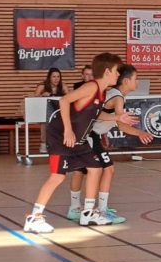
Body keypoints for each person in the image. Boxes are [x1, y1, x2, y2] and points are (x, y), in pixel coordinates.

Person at [23, 53, 134, 234]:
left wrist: (117, 117)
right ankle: (34, 218)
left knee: (95, 168)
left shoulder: (102, 92)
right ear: (107, 72)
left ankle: (88, 213)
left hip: (78, 140)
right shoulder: (91, 87)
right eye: (116, 71)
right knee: (57, 177)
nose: (118, 75)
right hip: (61, 136)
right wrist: (67, 129)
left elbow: (96, 114)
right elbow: (64, 100)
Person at [66, 64, 154, 224]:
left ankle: (74, 208)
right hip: (88, 134)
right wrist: (139, 133)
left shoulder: (113, 93)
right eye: (136, 78)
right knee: (108, 169)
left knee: (80, 170)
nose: (138, 82)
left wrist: (103, 134)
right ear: (126, 81)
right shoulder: (118, 97)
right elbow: (121, 124)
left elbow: (100, 115)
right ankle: (101, 209)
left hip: (86, 132)